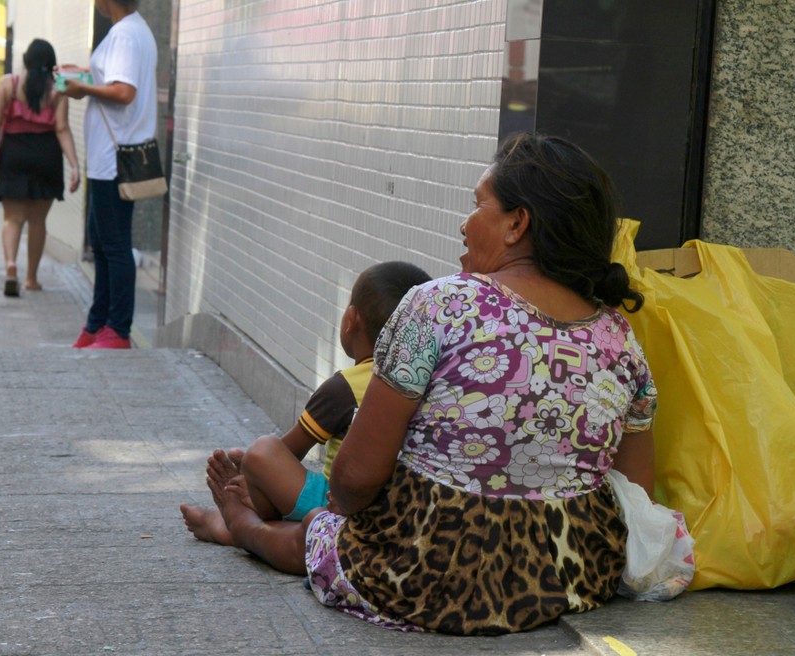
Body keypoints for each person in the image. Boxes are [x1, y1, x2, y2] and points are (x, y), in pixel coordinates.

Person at [212, 133, 659, 635]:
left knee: (321, 531)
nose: (464, 225)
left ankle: (245, 528)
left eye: (477, 207)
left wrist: (343, 511)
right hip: (569, 575)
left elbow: (356, 478)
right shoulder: (621, 340)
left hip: (427, 572)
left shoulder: (439, 304)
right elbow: (636, 494)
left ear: (517, 224)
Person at [180, 261, 432, 574]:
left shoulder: (345, 387)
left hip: (337, 500)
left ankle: (237, 523)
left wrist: (250, 475)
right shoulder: (435, 381)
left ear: (350, 320)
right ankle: (240, 523)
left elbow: (289, 451)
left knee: (263, 452)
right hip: (408, 508)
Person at [62, 0, 158, 349]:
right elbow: (115, 82)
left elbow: (123, 91)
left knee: (113, 246)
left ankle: (118, 329)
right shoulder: (131, 31)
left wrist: (82, 88)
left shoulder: (126, 35)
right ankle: (98, 322)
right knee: (102, 243)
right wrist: (83, 76)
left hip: (114, 159)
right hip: (109, 157)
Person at [0, 39, 80, 297]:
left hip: (14, 154)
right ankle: (31, 278)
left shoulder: (9, 84)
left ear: (26, 60)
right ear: (52, 65)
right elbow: (62, 128)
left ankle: (11, 266)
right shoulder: (57, 89)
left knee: (12, 218)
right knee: (38, 221)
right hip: (47, 156)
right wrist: (75, 165)